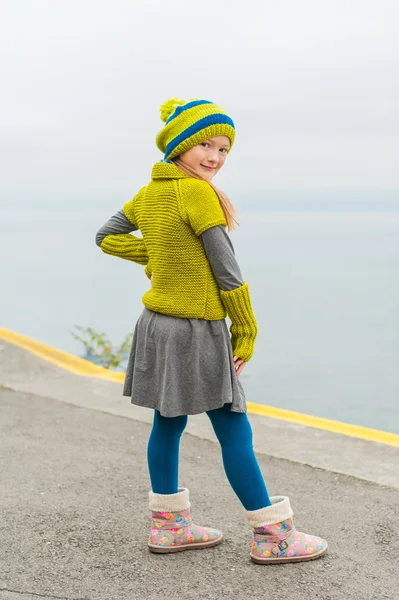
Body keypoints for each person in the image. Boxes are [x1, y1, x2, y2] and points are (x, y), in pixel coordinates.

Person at [95, 97, 328, 564]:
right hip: (195, 331)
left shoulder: (149, 193)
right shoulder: (197, 194)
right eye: (206, 144)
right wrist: (246, 329)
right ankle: (273, 535)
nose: (216, 157)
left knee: (168, 424)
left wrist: (161, 257)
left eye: (224, 150)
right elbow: (228, 271)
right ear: (179, 142)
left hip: (156, 327)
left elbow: (106, 236)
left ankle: (169, 528)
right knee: (235, 432)